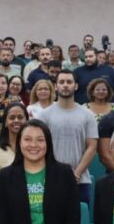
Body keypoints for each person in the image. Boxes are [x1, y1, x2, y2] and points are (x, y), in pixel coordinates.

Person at [36, 71, 98, 203]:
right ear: (56, 86)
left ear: (75, 86)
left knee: (80, 221)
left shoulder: (88, 115)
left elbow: (92, 147)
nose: (65, 85)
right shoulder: (44, 115)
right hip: (50, 180)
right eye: (62, 82)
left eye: (69, 82)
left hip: (80, 180)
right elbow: (39, 146)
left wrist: (77, 173)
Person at [0, 103, 28, 195]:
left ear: (27, 120)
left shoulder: (33, 147)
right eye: (11, 117)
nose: (16, 120)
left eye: (20, 117)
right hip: (0, 197)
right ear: (6, 122)